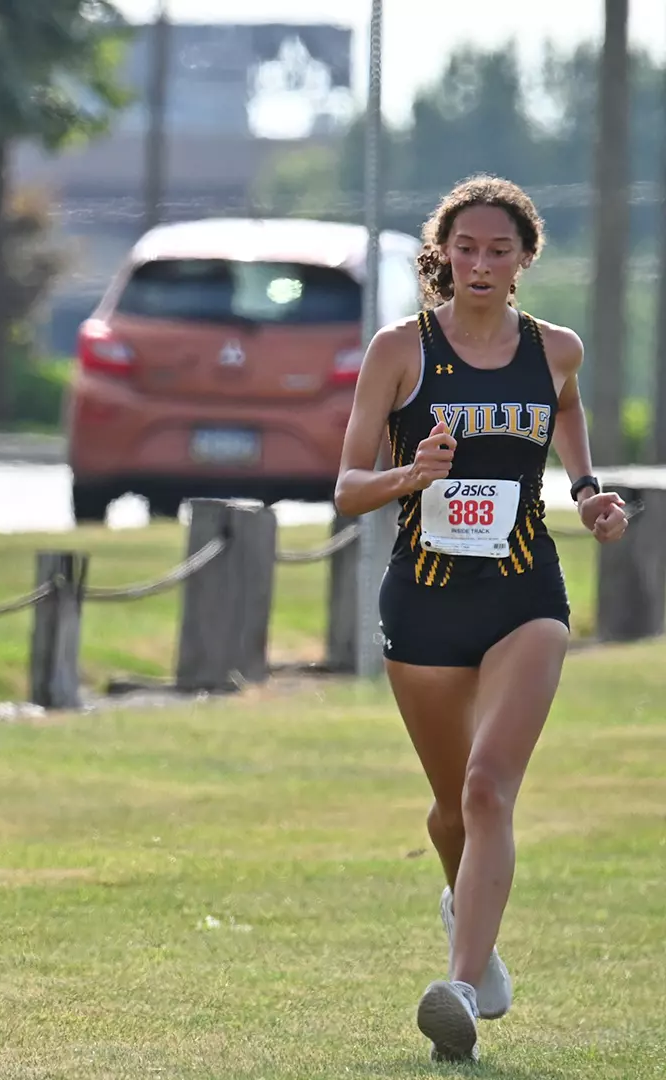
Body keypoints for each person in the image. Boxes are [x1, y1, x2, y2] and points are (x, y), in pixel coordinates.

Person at [333, 174, 627, 1063]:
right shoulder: (399, 350)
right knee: (447, 814)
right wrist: (407, 477)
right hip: (422, 602)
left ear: (525, 260)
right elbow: (346, 490)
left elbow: (566, 409)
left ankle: (457, 992)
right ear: (445, 253)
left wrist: (585, 490)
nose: (482, 264)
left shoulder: (556, 350)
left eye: (500, 250)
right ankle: (478, 937)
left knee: (487, 787)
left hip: (524, 594)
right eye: (467, 248)